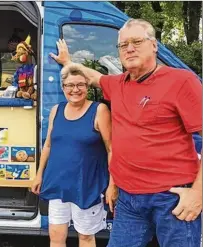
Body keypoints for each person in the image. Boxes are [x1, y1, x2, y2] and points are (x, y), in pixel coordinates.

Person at [49, 18, 202, 247]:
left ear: (154, 45)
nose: (129, 48)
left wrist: (198, 193)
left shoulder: (181, 81)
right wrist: (69, 62)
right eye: (123, 45)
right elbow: (93, 77)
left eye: (137, 41)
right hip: (129, 200)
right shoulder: (118, 84)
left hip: (172, 198)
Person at [31, 63, 118, 247]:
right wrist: (39, 175)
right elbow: (48, 145)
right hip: (58, 183)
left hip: (86, 185)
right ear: (63, 88)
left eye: (80, 85)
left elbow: (112, 149)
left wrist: (112, 185)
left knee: (85, 236)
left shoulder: (99, 110)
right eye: (70, 85)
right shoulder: (56, 110)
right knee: (56, 235)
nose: (75, 90)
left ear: (87, 86)